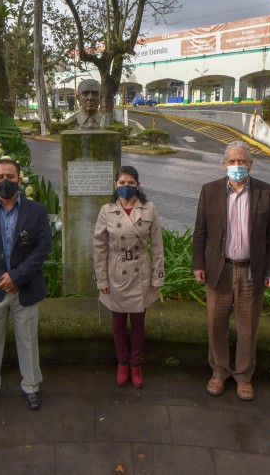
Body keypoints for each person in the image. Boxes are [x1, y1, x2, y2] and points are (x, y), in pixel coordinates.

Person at [192, 140, 270, 401]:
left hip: (251, 272)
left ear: (251, 165)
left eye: (242, 161)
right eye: (232, 161)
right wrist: (198, 264)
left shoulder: (266, 192)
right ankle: (219, 372)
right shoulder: (209, 191)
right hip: (219, 270)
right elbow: (200, 231)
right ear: (224, 165)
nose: (237, 166)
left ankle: (244, 376)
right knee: (216, 325)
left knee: (248, 327)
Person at [0, 158, 52, 413]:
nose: (5, 181)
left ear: (20, 180)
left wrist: (17, 276)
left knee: (28, 340)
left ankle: (32, 387)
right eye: (0, 176)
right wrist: (1, 276)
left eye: (10, 177)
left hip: (25, 287)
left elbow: (43, 248)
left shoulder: (36, 210)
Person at [93, 166, 165, 388]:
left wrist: (157, 277)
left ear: (138, 185)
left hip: (140, 270)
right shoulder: (106, 210)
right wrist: (102, 279)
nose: (126, 187)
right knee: (117, 321)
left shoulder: (149, 208)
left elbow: (158, 245)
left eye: (131, 183)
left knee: (138, 322)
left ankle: (136, 364)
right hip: (116, 269)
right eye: (122, 183)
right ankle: (122, 363)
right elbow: (99, 247)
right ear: (115, 185)